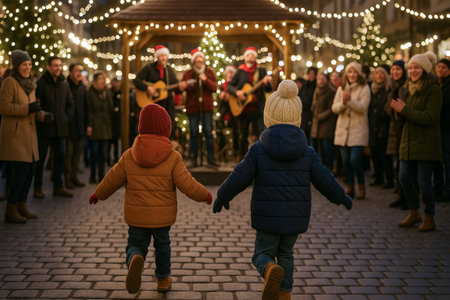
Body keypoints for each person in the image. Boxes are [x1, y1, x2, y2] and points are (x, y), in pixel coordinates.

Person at [213, 80, 352, 300]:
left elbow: (239, 176)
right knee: (286, 253)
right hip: (295, 218)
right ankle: (285, 292)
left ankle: (269, 269)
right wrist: (341, 197)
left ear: (268, 117)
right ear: (297, 118)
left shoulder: (258, 149)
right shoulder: (307, 152)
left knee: (262, 254)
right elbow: (324, 178)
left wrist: (222, 195)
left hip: (267, 218)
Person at [88, 103, 212, 294]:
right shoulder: (173, 157)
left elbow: (111, 179)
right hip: (162, 217)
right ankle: (163, 279)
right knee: (163, 245)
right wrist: (204, 195)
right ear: (166, 129)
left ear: (141, 127)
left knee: (135, 244)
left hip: (137, 216)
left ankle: (135, 259)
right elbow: (188, 184)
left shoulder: (129, 155)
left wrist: (99, 194)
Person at [391, 53, 442, 232]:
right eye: (411, 67)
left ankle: (429, 216)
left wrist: (404, 110)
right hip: (408, 142)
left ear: (424, 70)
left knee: (424, 183)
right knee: (404, 178)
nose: (412, 71)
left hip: (427, 143)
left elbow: (431, 117)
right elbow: (403, 117)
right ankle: (414, 212)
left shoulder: (433, 89)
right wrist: (398, 111)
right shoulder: (407, 87)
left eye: (416, 67)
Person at [0, 50, 53, 223]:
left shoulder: (30, 84)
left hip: (29, 135)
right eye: (24, 64)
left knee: (30, 170)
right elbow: (4, 108)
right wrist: (27, 109)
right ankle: (11, 208)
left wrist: (43, 115)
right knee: (21, 171)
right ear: (17, 66)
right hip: (15, 136)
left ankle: (21, 205)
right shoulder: (9, 82)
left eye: (29, 64)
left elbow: (33, 107)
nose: (27, 67)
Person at [34, 56, 74, 198]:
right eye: (55, 65)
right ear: (48, 67)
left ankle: (58, 186)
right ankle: (37, 187)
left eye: (60, 65)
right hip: (45, 129)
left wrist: (66, 117)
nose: (58, 68)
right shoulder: (41, 83)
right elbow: (37, 105)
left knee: (60, 158)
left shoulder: (64, 84)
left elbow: (70, 104)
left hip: (60, 129)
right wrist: (44, 117)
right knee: (41, 160)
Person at [332, 62, 370, 199]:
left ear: (359, 74)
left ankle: (361, 185)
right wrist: (343, 103)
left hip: (358, 130)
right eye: (350, 72)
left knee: (355, 159)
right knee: (346, 161)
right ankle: (350, 186)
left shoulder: (364, 88)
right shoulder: (341, 88)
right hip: (343, 131)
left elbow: (362, 107)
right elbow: (334, 108)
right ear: (346, 74)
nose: (352, 74)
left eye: (355, 72)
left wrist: (349, 102)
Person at [227, 47, 272, 159]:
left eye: (252, 55)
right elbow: (229, 86)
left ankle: (261, 158)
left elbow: (268, 89)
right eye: (248, 55)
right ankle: (243, 158)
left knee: (261, 134)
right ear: (245, 57)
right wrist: (237, 92)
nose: (250, 57)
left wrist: (266, 83)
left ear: (255, 57)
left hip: (258, 108)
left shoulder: (261, 71)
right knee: (243, 135)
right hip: (243, 109)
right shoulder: (240, 71)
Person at [133, 45, 186, 136]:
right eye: (161, 56)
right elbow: (136, 80)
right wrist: (147, 88)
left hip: (167, 106)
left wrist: (181, 88)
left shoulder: (169, 70)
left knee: (169, 128)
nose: (163, 58)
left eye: (165, 55)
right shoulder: (149, 68)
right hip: (153, 105)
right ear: (157, 57)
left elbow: (176, 89)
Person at [181, 49, 218, 167]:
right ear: (194, 62)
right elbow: (182, 87)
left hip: (206, 108)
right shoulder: (188, 73)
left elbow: (214, 88)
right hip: (192, 108)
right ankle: (194, 159)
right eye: (197, 61)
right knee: (194, 133)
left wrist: (205, 80)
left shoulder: (209, 72)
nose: (199, 62)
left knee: (208, 132)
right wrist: (189, 84)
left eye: (201, 61)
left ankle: (210, 158)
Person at [385, 60, 408, 209]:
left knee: (404, 168)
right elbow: (388, 108)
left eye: (398, 69)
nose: (395, 72)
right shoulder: (392, 87)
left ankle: (407, 198)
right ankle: (401, 196)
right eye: (393, 69)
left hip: (404, 130)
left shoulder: (405, 87)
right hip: (394, 130)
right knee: (398, 165)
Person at [87, 71, 114, 184]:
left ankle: (102, 175)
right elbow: (88, 110)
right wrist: (89, 125)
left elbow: (110, 108)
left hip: (105, 127)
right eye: (100, 79)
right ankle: (93, 175)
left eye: (104, 78)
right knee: (94, 153)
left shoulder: (106, 93)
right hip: (94, 126)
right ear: (95, 81)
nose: (103, 81)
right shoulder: (90, 93)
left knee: (103, 153)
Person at [368, 67, 393, 188]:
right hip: (373, 126)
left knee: (385, 156)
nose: (379, 76)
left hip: (383, 126)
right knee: (375, 155)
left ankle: (389, 179)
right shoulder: (371, 89)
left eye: (381, 73)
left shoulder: (388, 89)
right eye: (377, 73)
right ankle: (378, 177)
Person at [65, 63, 89, 189]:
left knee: (77, 155)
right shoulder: (65, 85)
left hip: (80, 126)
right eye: (76, 71)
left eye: (81, 70)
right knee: (68, 155)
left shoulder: (82, 88)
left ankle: (74, 176)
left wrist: (88, 124)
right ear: (71, 72)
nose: (79, 73)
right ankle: (67, 178)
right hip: (69, 127)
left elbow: (86, 107)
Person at [310, 72, 336, 170]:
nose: (320, 80)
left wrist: (321, 116)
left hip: (326, 123)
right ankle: (321, 168)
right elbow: (314, 104)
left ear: (327, 80)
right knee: (318, 148)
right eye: (319, 79)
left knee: (327, 147)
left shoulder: (331, 91)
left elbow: (331, 108)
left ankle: (330, 167)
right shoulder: (316, 90)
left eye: (323, 78)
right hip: (316, 123)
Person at [435, 58, 450, 202]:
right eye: (438, 67)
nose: (440, 70)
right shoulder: (438, 85)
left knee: (447, 160)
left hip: (446, 128)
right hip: (439, 128)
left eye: (443, 67)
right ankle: (440, 189)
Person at [218, 65, 239, 161]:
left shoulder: (236, 85)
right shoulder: (222, 86)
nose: (230, 74)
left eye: (232, 73)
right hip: (224, 112)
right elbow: (220, 99)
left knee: (236, 132)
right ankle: (222, 153)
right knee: (221, 132)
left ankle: (235, 152)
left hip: (234, 112)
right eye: (229, 72)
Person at [300, 67, 317, 145]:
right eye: (310, 74)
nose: (311, 75)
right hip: (305, 114)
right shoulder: (305, 85)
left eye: (313, 74)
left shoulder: (317, 85)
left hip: (313, 113)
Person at [107, 77, 121, 166]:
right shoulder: (109, 93)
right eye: (114, 83)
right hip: (110, 121)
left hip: (118, 121)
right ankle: (107, 159)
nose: (116, 85)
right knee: (109, 143)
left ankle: (116, 158)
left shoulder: (122, 93)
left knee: (116, 143)